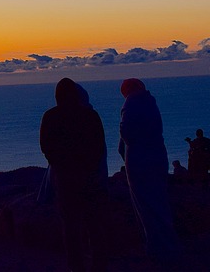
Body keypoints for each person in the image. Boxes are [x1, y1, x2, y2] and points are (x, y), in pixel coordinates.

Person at [40, 77, 108, 272]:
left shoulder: (51, 116)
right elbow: (98, 145)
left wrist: (59, 164)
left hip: (65, 178)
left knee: (70, 225)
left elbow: (45, 145)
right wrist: (90, 166)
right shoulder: (90, 116)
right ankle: (99, 264)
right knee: (94, 223)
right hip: (89, 176)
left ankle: (75, 266)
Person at [117, 78, 179, 262]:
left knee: (146, 205)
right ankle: (165, 245)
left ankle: (158, 248)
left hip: (140, 160)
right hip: (157, 157)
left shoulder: (132, 104)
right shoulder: (150, 103)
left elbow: (127, 133)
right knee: (159, 201)